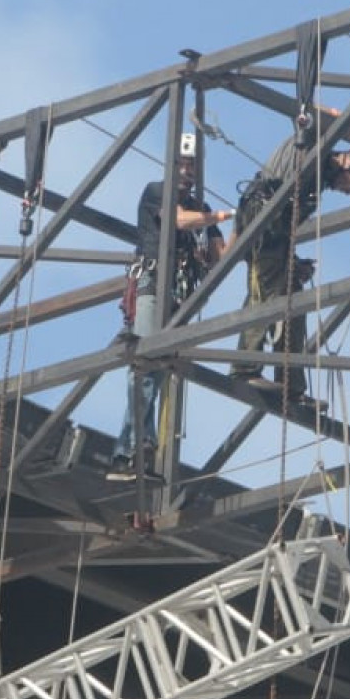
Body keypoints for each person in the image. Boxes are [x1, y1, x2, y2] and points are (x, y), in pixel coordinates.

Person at [228, 115, 350, 403]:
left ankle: (291, 384)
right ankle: (244, 368)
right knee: (266, 290)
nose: (347, 186)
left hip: (274, 229)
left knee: (294, 296)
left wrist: (294, 262)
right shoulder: (315, 147)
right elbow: (310, 114)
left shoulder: (316, 184)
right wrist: (345, 120)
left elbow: (285, 228)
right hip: (262, 213)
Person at [110, 138, 231, 479]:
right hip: (153, 284)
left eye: (191, 166)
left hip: (179, 296)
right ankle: (130, 448)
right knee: (146, 365)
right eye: (182, 164)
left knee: (159, 371)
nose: (187, 171)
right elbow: (178, 220)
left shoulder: (201, 208)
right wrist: (219, 216)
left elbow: (221, 256)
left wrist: (245, 224)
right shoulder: (156, 191)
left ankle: (136, 450)